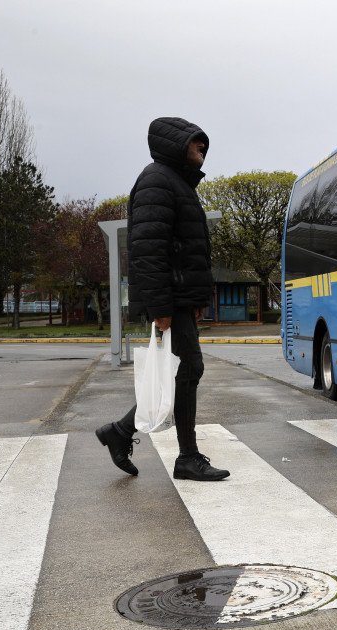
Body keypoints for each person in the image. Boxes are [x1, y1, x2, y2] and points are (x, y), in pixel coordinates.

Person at [95, 117, 229, 481]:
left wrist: (197, 296)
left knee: (185, 371)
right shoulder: (158, 180)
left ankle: (121, 432)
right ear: (175, 145)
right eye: (195, 142)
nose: (202, 147)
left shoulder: (178, 184)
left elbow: (188, 249)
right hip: (169, 299)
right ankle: (184, 456)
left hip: (181, 298)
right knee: (188, 370)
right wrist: (161, 307)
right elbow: (148, 250)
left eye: (204, 143)